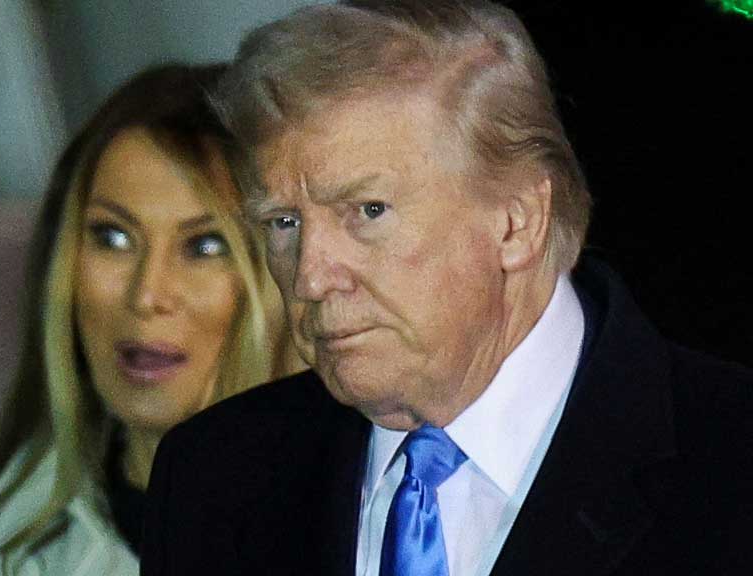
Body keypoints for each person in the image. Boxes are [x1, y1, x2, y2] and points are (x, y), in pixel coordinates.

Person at [140, 2, 753, 576]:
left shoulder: (730, 465)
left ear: (518, 221)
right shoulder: (210, 477)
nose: (310, 276)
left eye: (368, 210)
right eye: (285, 223)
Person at [0, 64, 301, 576]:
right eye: (113, 238)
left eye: (205, 246)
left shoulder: (385, 524)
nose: (147, 294)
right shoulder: (11, 543)